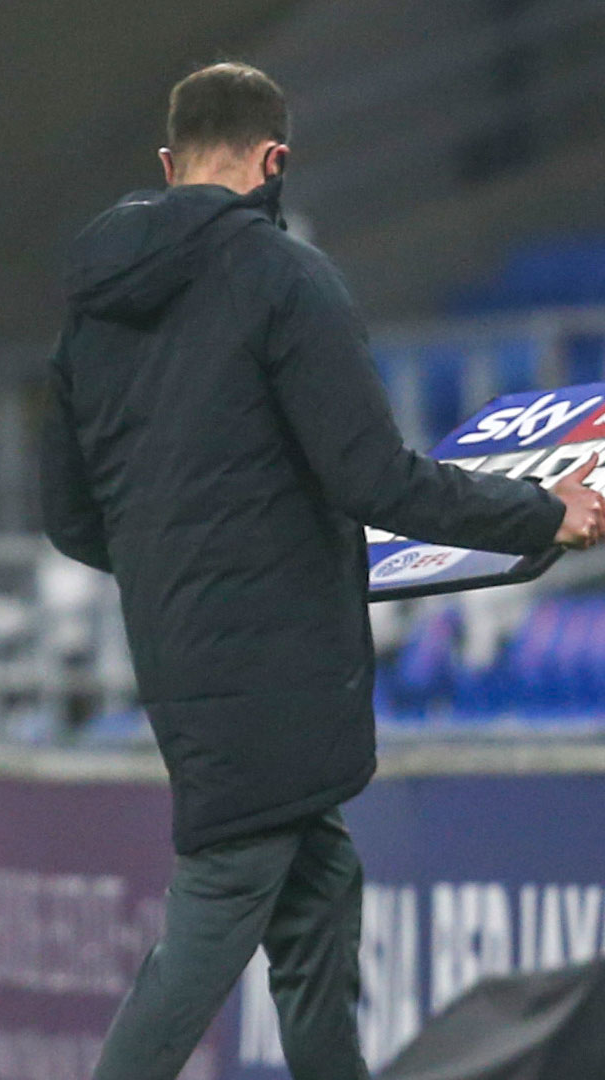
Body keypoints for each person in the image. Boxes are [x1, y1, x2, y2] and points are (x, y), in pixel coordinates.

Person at [38, 62, 605, 1080]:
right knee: (208, 932)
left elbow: (72, 517)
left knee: (315, 918)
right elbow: (374, 477)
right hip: (282, 675)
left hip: (187, 666)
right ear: (275, 162)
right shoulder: (286, 278)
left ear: (170, 166)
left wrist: (180, 564)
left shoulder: (91, 313)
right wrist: (541, 510)